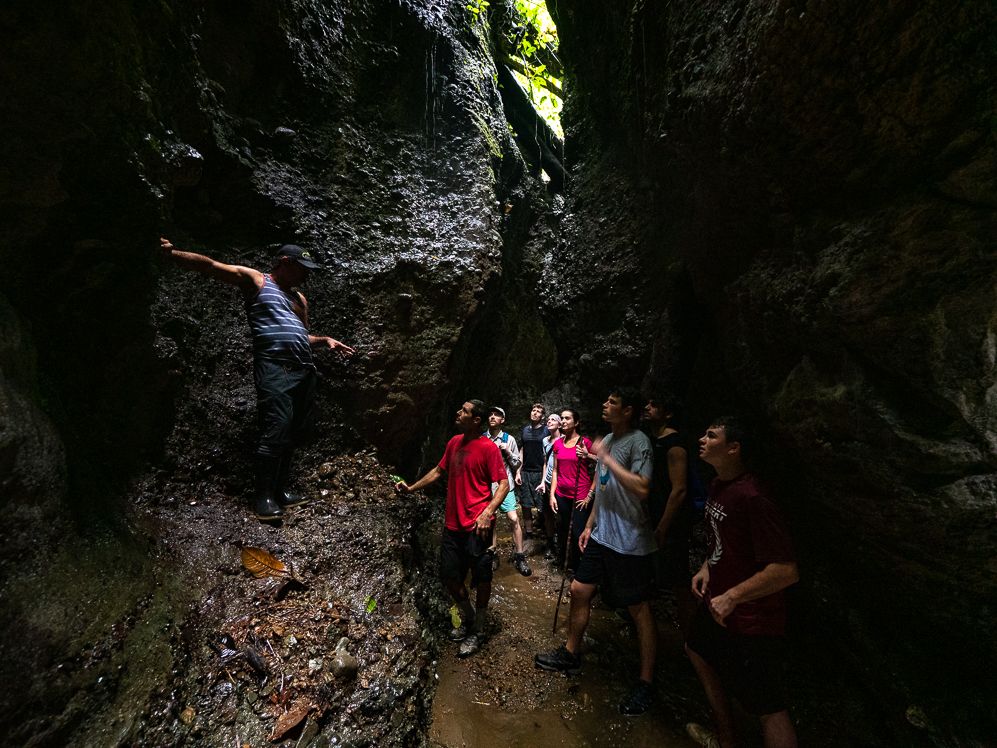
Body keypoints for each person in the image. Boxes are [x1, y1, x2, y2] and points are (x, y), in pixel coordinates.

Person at [158, 237, 355, 522]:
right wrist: (172, 254)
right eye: (302, 267)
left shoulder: (300, 299)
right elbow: (212, 266)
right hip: (275, 367)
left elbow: (301, 336)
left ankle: (281, 490)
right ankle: (263, 497)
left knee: (293, 432)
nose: (306, 274)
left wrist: (325, 341)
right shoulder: (257, 281)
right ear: (285, 262)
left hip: (304, 370)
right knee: (276, 428)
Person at [535, 387, 658, 716]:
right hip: (602, 534)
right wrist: (589, 525)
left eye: (613, 401)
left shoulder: (638, 442)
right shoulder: (609, 441)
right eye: (605, 400)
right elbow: (603, 490)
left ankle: (646, 683)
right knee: (578, 589)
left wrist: (604, 460)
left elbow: (643, 488)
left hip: (630, 541)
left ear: (628, 410)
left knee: (638, 609)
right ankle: (571, 653)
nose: (605, 404)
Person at [684, 416, 799, 748]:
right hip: (719, 605)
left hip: (753, 619)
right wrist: (707, 566)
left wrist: (733, 596)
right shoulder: (720, 485)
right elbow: (726, 540)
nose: (702, 439)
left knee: (768, 706)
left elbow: (786, 569)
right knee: (696, 648)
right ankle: (726, 738)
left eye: (712, 435)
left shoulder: (754, 498)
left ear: (733, 448)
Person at [395, 400, 509, 657]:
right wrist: (411, 487)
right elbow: (438, 470)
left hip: (477, 525)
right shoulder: (454, 442)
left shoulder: (488, 449)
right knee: (449, 576)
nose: (458, 413)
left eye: (464, 411)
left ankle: (478, 628)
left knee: (481, 579)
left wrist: (487, 513)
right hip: (453, 524)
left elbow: (503, 484)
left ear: (476, 420)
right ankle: (469, 617)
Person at [643, 395, 696, 629]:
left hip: (671, 522)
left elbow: (679, 490)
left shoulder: (674, 444)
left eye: (654, 405)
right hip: (652, 515)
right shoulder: (652, 440)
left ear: (668, 413)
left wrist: (662, 527)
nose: (647, 407)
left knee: (679, 580)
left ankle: (691, 639)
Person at [486, 407, 531, 576]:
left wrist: (507, 450)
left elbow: (516, 464)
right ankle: (492, 553)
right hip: (487, 487)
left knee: (513, 519)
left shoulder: (508, 439)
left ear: (502, 420)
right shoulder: (482, 438)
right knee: (491, 520)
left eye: (496, 415)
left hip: (506, 486)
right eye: (490, 414)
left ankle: (520, 556)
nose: (492, 417)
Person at [548, 408, 594, 572]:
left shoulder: (585, 442)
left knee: (578, 533)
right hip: (561, 494)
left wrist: (590, 495)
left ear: (577, 422)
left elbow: (601, 467)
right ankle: (568, 564)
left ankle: (583, 570)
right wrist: (552, 494)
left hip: (580, 496)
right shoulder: (558, 443)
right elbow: (555, 470)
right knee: (562, 529)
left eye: (567, 418)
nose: (563, 421)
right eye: (562, 418)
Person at [515, 403, 548, 541]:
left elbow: (548, 454)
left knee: (543, 505)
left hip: (540, 472)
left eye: (538, 411)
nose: (534, 413)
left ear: (542, 416)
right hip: (526, 472)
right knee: (526, 504)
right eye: (533, 410)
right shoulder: (525, 430)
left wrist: (544, 478)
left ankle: (547, 534)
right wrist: (518, 471)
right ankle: (529, 533)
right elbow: (521, 451)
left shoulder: (546, 431)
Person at [537, 413, 562, 559]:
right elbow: (545, 462)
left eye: (553, 419)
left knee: (558, 514)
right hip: (547, 481)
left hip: (558, 482)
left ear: (559, 424)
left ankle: (560, 542)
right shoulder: (545, 440)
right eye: (548, 419)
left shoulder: (564, 440)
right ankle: (550, 542)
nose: (549, 421)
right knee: (547, 514)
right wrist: (542, 481)